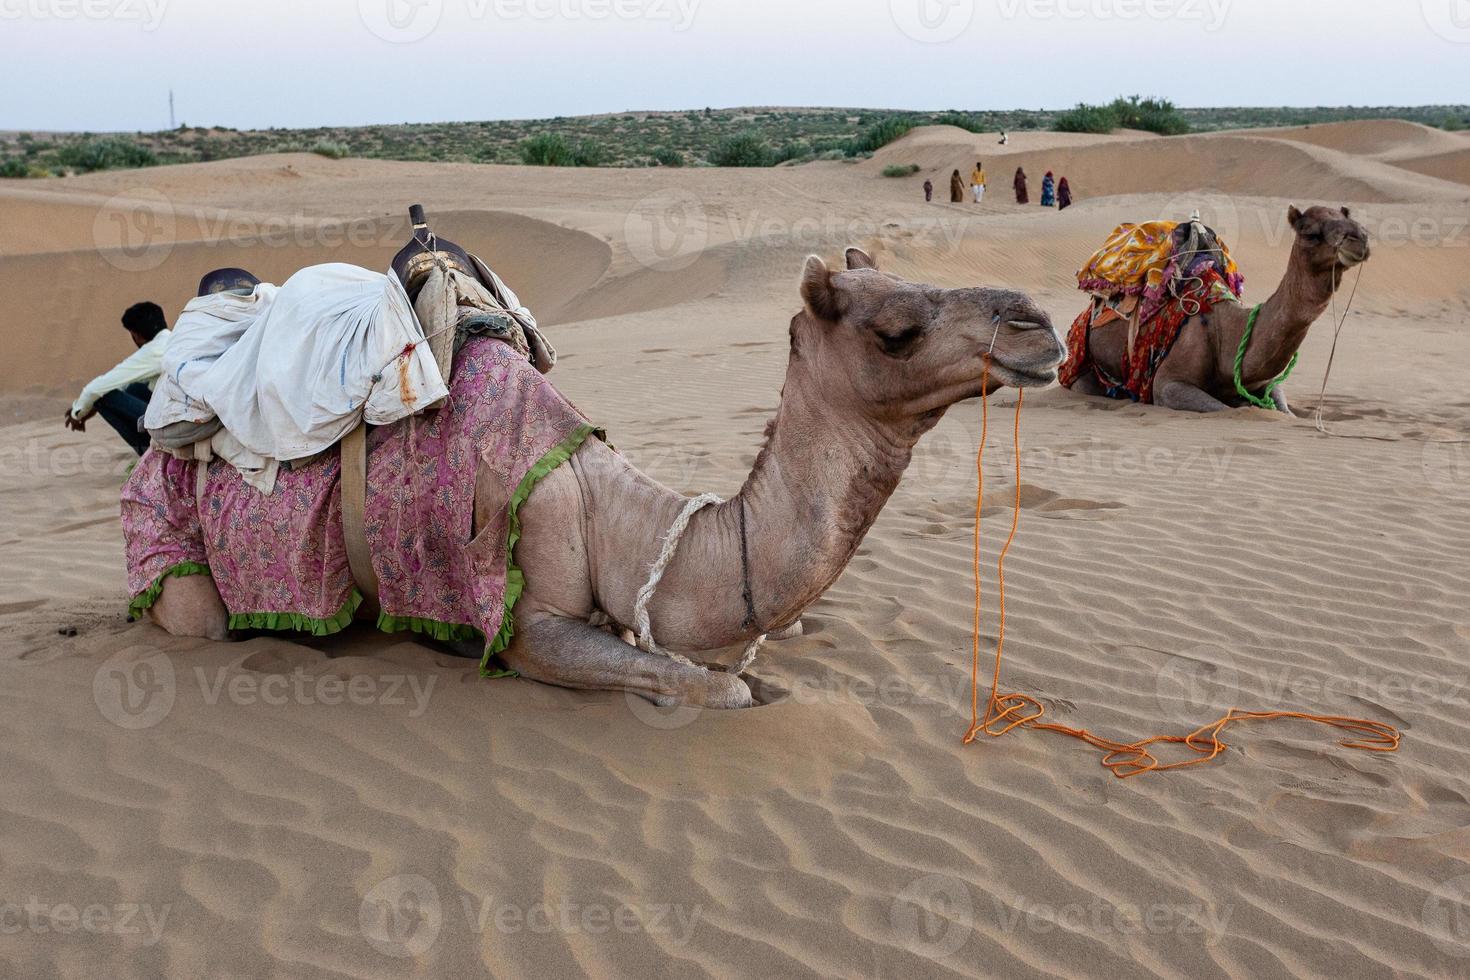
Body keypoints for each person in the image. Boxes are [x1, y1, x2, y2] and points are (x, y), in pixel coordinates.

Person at [64, 301, 172, 455]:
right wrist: (91, 407)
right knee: (134, 387)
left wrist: (77, 414)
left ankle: (149, 455)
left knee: (103, 396)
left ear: (136, 335)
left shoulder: (154, 351)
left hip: (172, 425)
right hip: (185, 418)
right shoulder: (173, 340)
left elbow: (94, 389)